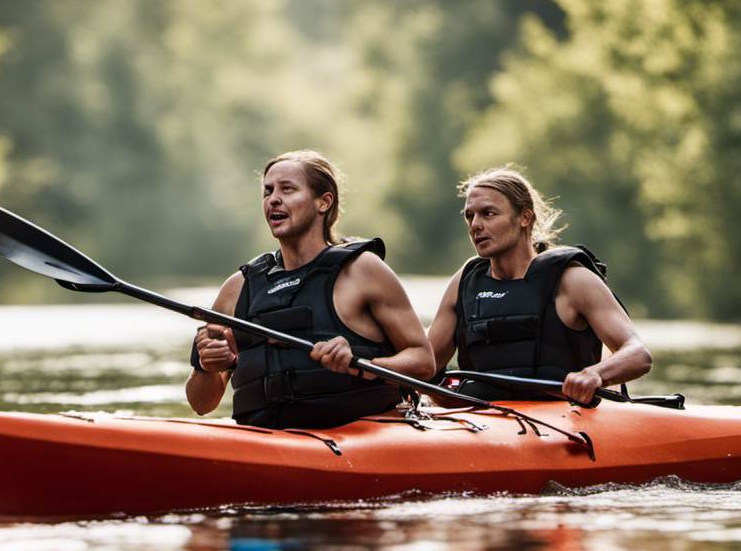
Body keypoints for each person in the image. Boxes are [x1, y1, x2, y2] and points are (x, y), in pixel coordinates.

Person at [186, 150, 435, 429]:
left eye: (288, 189)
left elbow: (424, 362)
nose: (273, 199)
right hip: (265, 441)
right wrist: (209, 369)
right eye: (267, 192)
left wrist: (361, 364)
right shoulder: (237, 289)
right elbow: (200, 403)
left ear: (323, 202)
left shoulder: (362, 271)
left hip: (357, 438)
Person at [426, 166, 651, 404]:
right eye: (470, 216)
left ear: (525, 217)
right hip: (481, 421)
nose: (475, 225)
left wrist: (595, 374)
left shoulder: (572, 280)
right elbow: (424, 362)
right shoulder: (466, 281)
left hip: (561, 420)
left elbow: (638, 354)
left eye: (488, 214)